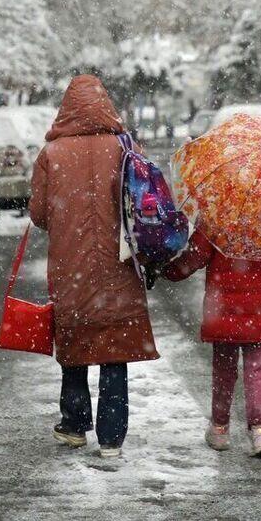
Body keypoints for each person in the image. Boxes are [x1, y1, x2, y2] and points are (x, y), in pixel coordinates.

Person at [29, 75, 159, 458]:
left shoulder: (51, 155)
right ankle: (112, 437)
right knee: (114, 346)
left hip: (71, 267)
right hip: (120, 264)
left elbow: (38, 214)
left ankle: (74, 424)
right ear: (106, 104)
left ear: (66, 108)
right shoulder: (124, 147)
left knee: (75, 339)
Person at [162, 224, 261, 458]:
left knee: (224, 368)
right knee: (258, 367)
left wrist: (168, 271)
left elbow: (195, 256)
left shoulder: (217, 214)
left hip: (224, 303)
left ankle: (220, 429)